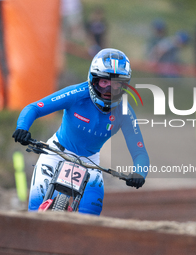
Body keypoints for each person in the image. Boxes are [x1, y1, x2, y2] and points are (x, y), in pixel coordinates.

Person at [12, 48, 150, 216]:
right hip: (56, 152)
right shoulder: (76, 94)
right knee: (35, 207)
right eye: (104, 82)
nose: (109, 90)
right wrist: (22, 128)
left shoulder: (125, 113)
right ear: (93, 80)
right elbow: (34, 108)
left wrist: (139, 173)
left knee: (90, 218)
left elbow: (139, 152)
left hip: (90, 162)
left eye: (116, 84)